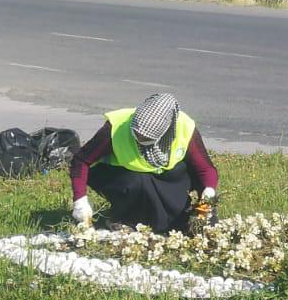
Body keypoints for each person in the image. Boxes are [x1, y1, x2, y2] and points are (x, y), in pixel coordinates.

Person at [68, 93, 218, 232]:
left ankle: (173, 219)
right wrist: (80, 200)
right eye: (137, 135)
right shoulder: (117, 127)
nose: (140, 140)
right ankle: (125, 219)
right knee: (139, 181)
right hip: (125, 179)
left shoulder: (184, 127)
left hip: (165, 179)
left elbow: (205, 169)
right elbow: (81, 161)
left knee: (179, 178)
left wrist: (208, 193)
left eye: (147, 139)